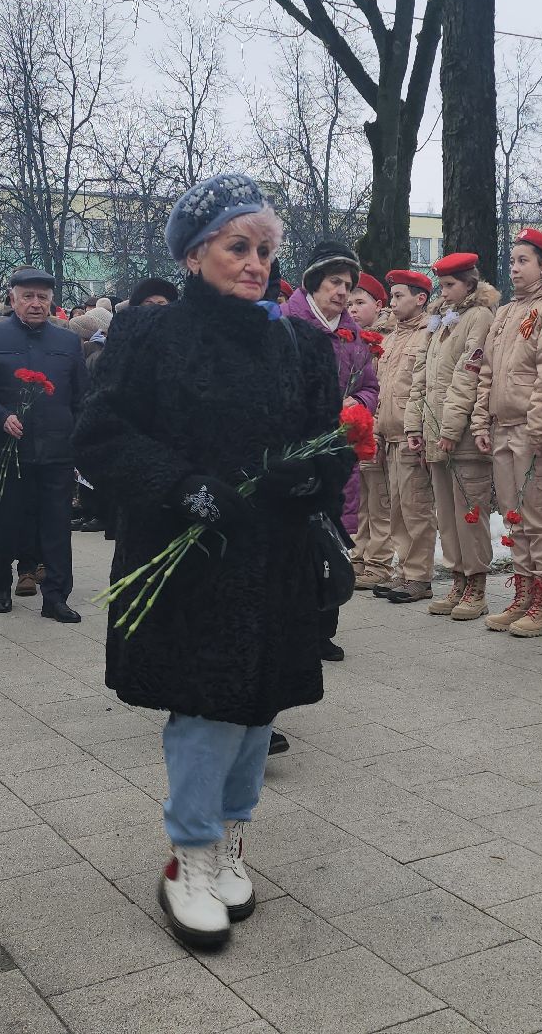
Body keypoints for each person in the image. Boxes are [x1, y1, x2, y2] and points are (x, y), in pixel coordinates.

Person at [75, 173, 351, 947]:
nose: (257, 261)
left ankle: (231, 843)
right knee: (202, 709)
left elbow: (331, 440)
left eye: (265, 248)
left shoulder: (298, 342)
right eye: (239, 246)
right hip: (188, 556)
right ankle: (188, 857)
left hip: (274, 559)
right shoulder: (150, 334)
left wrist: (313, 475)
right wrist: (183, 487)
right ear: (195, 255)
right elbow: (100, 437)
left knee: (258, 707)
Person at [279, 240, 378, 659]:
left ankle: (323, 629)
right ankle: (295, 628)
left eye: (349, 285)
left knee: (333, 540)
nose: (343, 292)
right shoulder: (286, 324)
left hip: (337, 452)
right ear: (314, 282)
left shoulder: (352, 334)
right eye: (335, 282)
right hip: (296, 452)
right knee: (296, 544)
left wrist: (357, 404)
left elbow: (371, 385)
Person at [474, 229, 542, 638]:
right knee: (514, 517)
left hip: (532, 432)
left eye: (523, 261)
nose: (514, 268)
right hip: (501, 427)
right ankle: (523, 596)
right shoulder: (506, 312)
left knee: (536, 517)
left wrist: (538, 427)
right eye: (512, 261)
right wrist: (481, 420)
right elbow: (487, 372)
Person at [0, 266, 86, 622]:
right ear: (12, 299)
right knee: (6, 521)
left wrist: (78, 441)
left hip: (57, 450)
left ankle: (55, 595)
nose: (36, 303)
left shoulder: (68, 341)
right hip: (8, 451)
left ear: (52, 300)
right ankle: (0, 584)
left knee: (57, 525)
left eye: (42, 296)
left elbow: (80, 398)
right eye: (28, 296)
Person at [406, 253, 498, 622]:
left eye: (450, 286)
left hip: (458, 436)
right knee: (446, 513)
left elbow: (467, 376)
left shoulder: (478, 317)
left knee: (468, 513)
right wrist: (415, 425)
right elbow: (421, 377)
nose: (443, 294)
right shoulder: (440, 321)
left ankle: (476, 585)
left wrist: (449, 429)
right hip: (434, 433)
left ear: (470, 285)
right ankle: (457, 578)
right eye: (440, 286)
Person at [375, 270, 440, 605]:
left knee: (416, 508)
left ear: (420, 299)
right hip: (390, 436)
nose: (392, 301)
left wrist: (422, 429)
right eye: (392, 295)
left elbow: (427, 386)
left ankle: (419, 575)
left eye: (399, 295)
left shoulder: (429, 333)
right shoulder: (390, 337)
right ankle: (404, 570)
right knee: (397, 509)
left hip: (412, 435)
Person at [346, 272, 395, 591]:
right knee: (359, 501)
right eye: (348, 303)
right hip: (353, 432)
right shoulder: (350, 339)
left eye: (359, 303)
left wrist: (373, 427)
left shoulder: (388, 339)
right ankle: (359, 556)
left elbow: (384, 389)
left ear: (379, 305)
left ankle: (379, 562)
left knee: (379, 502)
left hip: (377, 430)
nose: (352, 309)